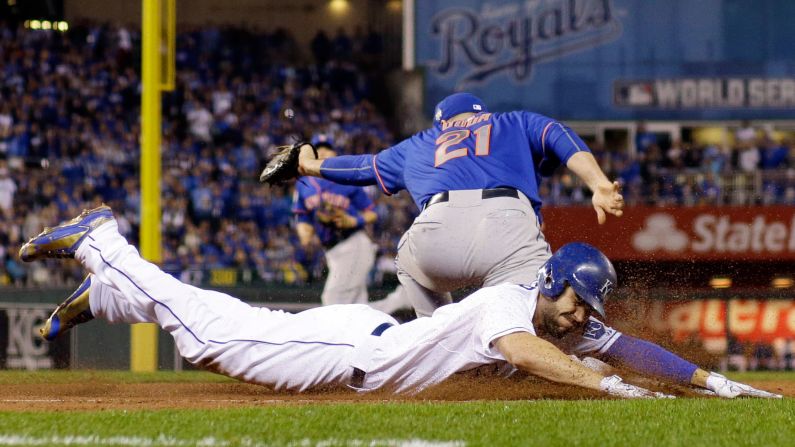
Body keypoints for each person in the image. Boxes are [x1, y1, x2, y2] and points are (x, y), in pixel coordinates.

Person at [20, 206, 780, 399]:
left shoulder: (560, 320)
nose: (586, 318)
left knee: (218, 327)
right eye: (579, 304)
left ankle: (114, 297)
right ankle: (105, 245)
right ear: (552, 285)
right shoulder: (512, 308)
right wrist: (605, 388)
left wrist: (707, 382)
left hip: (363, 337)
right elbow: (524, 353)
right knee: (213, 337)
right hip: (353, 351)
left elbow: (627, 350)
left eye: (587, 309)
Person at [288, 92, 625, 316]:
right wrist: (597, 183)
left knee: (407, 261)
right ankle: (567, 354)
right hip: (508, 227)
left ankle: (443, 340)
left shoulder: (421, 142)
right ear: (482, 114)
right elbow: (560, 136)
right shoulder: (512, 120)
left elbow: (361, 167)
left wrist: (309, 165)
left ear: (442, 124)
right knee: (534, 313)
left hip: (436, 230)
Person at [292, 134, 410, 312]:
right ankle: (402, 300)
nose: (323, 151)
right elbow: (302, 215)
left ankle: (403, 299)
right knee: (356, 309)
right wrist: (305, 234)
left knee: (333, 300)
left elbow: (373, 212)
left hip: (353, 244)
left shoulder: (345, 179)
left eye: (327, 148)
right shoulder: (303, 184)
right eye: (318, 148)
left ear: (334, 154)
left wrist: (354, 220)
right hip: (332, 251)